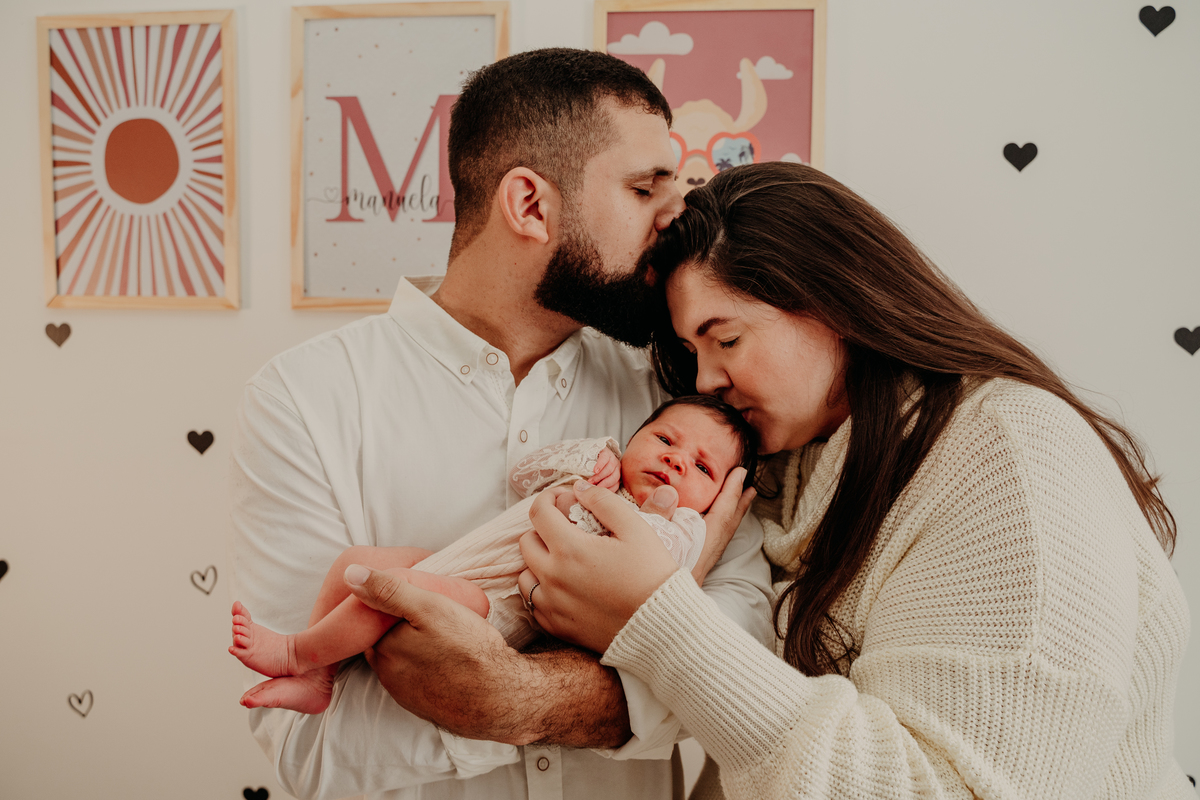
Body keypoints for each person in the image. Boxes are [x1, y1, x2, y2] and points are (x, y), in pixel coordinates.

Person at [341, 161, 1191, 799]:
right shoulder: (789, 473)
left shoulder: (1011, 461)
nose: (707, 382)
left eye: (726, 338)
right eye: (693, 352)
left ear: (833, 301)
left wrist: (657, 618)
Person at [229, 48, 774, 800]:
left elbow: (750, 674)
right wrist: (631, 684)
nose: (674, 213)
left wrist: (516, 696)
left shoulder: (681, 397)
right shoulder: (301, 399)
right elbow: (315, 748)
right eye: (644, 187)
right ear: (529, 205)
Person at [230, 396, 758, 716]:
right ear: (635, 436)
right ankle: (319, 679)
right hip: (468, 558)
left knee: (390, 590)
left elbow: (665, 578)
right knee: (358, 557)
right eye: (665, 438)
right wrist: (589, 456)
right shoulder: (601, 470)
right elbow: (523, 475)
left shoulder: (679, 529)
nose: (675, 460)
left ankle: (297, 653)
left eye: (702, 468)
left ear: (718, 499)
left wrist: (668, 519)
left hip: (494, 604)